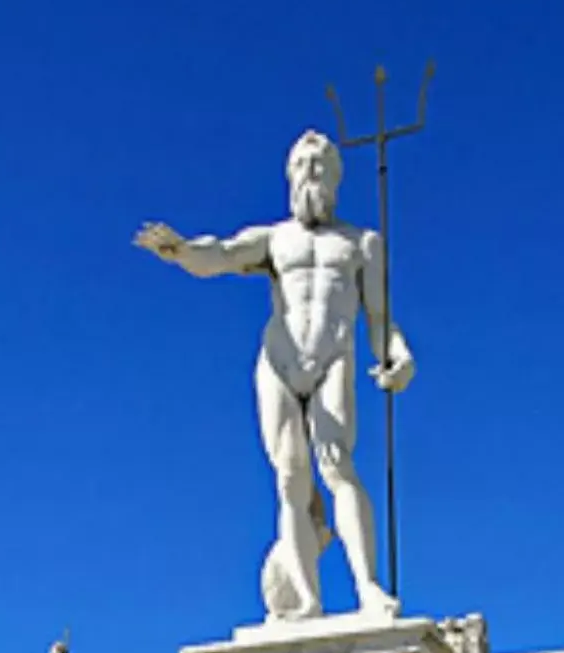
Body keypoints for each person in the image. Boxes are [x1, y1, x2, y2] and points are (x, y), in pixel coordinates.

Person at [137, 131, 414, 621]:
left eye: (318, 166)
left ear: (334, 177)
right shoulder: (275, 239)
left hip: (333, 360)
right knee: (291, 478)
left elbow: (379, 317)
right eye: (301, 166)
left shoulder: (361, 243)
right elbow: (220, 254)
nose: (310, 174)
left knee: (338, 469)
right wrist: (179, 250)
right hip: (279, 364)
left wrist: (399, 357)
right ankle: (307, 600)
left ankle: (368, 587)